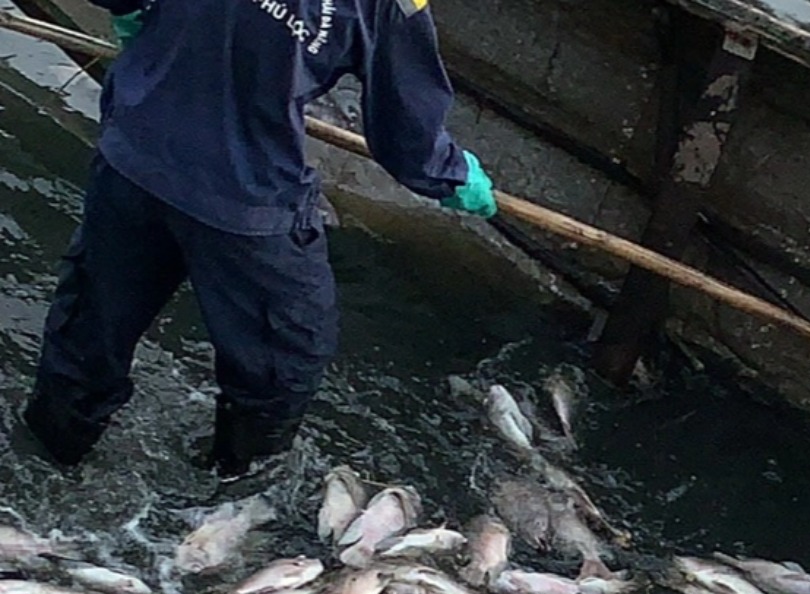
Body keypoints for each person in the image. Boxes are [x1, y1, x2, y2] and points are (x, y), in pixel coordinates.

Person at [20, 0, 497, 476]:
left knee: (88, 330)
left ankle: (47, 458)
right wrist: (451, 175)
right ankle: (231, 494)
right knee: (286, 364)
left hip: (135, 153)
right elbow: (405, 132)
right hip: (243, 199)